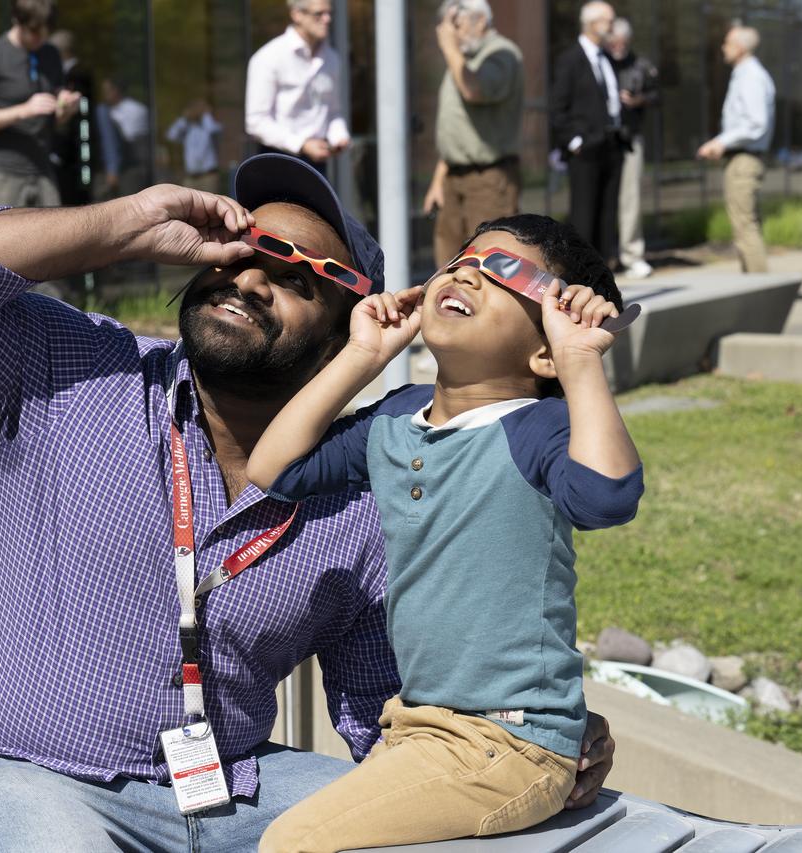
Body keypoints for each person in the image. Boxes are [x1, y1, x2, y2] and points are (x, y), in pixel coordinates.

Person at [0, 153, 618, 852]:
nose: (251, 279)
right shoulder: (72, 368)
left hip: (227, 790)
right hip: (12, 777)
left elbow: (385, 715)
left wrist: (520, 745)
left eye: (297, 279)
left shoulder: (360, 497)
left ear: (341, 336)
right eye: (240, 252)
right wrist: (122, 224)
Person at [252, 214, 643, 851]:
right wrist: (365, 355)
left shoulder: (538, 427)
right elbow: (278, 469)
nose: (468, 273)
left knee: (292, 843)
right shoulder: (397, 417)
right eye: (463, 259)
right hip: (415, 728)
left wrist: (579, 363)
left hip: (506, 742)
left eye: (508, 272)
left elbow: (606, 497)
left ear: (542, 347)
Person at [421, 0, 525, 266]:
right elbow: (460, 130)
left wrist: (448, 46)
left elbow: (473, 90)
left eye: (456, 24)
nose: (451, 32)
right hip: (454, 177)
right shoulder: (462, 59)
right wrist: (438, 181)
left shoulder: (502, 54)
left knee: (487, 263)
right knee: (447, 263)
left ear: (480, 20)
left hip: (488, 179)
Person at [0, 0, 77, 209]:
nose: (39, 38)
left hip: (43, 170)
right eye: (33, 31)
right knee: (1, 240)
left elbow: (57, 114)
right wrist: (23, 110)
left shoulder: (50, 53)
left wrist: (66, 106)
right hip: (2, 174)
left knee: (55, 240)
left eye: (45, 32)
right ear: (16, 20)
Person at [550, 1, 626, 263]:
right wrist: (574, 142)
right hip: (585, 150)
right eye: (608, 21)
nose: (612, 27)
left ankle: (603, 281)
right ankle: (581, 281)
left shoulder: (608, 59)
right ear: (592, 24)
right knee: (584, 216)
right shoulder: (570, 60)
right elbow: (557, 107)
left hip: (611, 146)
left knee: (607, 216)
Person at [697, 25, 775, 274]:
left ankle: (761, 291)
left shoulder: (751, 76)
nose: (723, 47)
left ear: (740, 47)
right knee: (745, 226)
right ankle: (754, 287)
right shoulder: (744, 74)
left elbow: (756, 122)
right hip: (740, 157)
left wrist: (721, 142)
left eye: (727, 43)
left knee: (745, 227)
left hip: (744, 160)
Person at [245, 0, 350, 174]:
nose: (327, 19)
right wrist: (302, 144)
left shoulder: (332, 59)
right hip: (277, 162)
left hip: (318, 163)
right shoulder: (269, 57)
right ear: (297, 14)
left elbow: (333, 111)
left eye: (330, 13)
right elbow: (256, 122)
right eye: (319, 14)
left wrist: (339, 135)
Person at [607, 18, 659, 280]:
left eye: (622, 42)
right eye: (613, 41)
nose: (617, 46)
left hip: (630, 137)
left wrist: (637, 100)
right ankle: (602, 255)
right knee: (602, 199)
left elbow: (656, 94)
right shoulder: (600, 61)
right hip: (602, 139)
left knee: (631, 198)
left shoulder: (640, 64)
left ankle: (632, 254)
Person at [48, 29, 96, 206]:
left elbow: (76, 117)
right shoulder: (77, 73)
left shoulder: (76, 75)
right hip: (73, 153)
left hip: (72, 154)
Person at [95, 77, 151, 198]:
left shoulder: (135, 109)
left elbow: (126, 138)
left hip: (131, 167)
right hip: (116, 166)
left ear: (116, 91)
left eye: (107, 90)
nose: (104, 94)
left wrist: (113, 168)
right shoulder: (108, 109)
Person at [167, 99, 224, 194]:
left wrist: (206, 114)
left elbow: (212, 130)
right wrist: (184, 118)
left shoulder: (211, 127)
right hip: (191, 177)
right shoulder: (187, 129)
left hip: (208, 177)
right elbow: (171, 135)